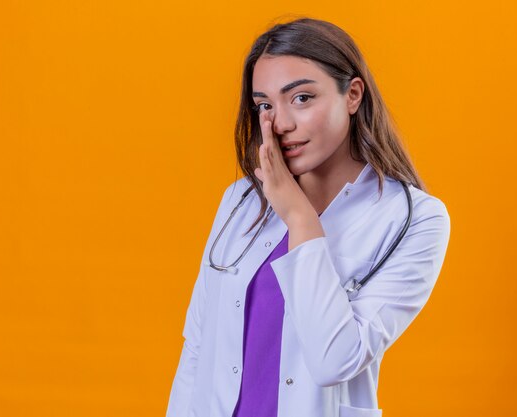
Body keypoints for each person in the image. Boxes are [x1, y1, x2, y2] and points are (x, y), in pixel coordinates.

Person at [166, 17, 451, 417]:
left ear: (352, 95)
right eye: (265, 105)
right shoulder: (240, 202)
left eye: (301, 98)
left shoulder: (415, 220)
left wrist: (299, 217)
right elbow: (198, 348)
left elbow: (335, 359)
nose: (280, 124)